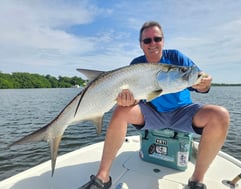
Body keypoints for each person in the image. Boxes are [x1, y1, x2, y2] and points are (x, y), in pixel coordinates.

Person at [79, 21, 230, 189]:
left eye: (157, 39)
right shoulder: (136, 64)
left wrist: (206, 83)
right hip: (153, 112)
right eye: (147, 40)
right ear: (141, 45)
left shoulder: (177, 57)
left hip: (183, 111)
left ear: (163, 41)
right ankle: (102, 177)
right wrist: (127, 100)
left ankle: (196, 180)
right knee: (121, 111)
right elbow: (136, 98)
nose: (153, 44)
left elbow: (199, 78)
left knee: (220, 115)